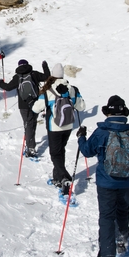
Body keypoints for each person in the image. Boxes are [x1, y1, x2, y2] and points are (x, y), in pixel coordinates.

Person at [76, 95, 129, 257]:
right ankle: (122, 240)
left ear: (108, 112)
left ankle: (108, 255)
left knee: (107, 216)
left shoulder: (102, 132)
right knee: (123, 210)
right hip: (127, 181)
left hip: (106, 182)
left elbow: (86, 151)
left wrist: (81, 137)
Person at [31, 63, 85, 194]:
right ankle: (57, 178)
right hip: (68, 125)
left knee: (55, 153)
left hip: (54, 126)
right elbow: (81, 107)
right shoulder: (71, 88)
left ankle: (64, 178)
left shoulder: (48, 89)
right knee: (61, 150)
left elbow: (35, 108)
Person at [0, 59, 51, 157]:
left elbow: (8, 87)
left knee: (28, 124)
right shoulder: (33, 74)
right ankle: (30, 143)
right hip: (35, 103)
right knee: (32, 123)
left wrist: (0, 83)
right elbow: (47, 77)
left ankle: (30, 147)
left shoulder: (17, 77)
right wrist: (45, 66)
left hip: (23, 105)